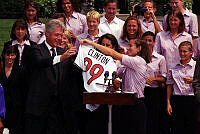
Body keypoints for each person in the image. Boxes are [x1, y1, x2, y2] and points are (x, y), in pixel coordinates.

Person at [79, 38, 151, 134]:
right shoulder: (128, 65)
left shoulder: (138, 61)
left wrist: (91, 44)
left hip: (136, 104)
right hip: (125, 104)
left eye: (130, 46)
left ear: (139, 48)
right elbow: (115, 73)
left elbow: (112, 53)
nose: (127, 48)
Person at [24, 19, 77, 134]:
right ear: (47, 33)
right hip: (39, 109)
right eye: (56, 35)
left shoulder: (62, 51)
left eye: (61, 35)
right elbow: (40, 62)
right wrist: (62, 57)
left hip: (58, 109)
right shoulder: (35, 50)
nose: (59, 38)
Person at [166, 41, 196, 134]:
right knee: (177, 127)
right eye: (180, 51)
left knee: (192, 127)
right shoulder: (173, 67)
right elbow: (169, 85)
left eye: (185, 51)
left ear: (191, 52)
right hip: (177, 100)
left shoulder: (196, 66)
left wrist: (193, 81)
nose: (182, 54)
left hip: (192, 100)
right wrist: (168, 102)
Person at [142, 31, 167, 134]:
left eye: (149, 40)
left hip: (154, 92)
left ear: (153, 42)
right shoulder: (137, 57)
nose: (147, 43)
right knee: (142, 118)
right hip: (141, 92)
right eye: (145, 40)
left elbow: (164, 77)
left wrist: (153, 79)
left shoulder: (160, 58)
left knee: (153, 119)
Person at [0, 45, 27, 134]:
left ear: (16, 55)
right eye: (8, 55)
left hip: (16, 109)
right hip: (2, 108)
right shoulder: (0, 70)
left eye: (12, 55)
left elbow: (24, 91)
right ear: (4, 55)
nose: (10, 57)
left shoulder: (21, 71)